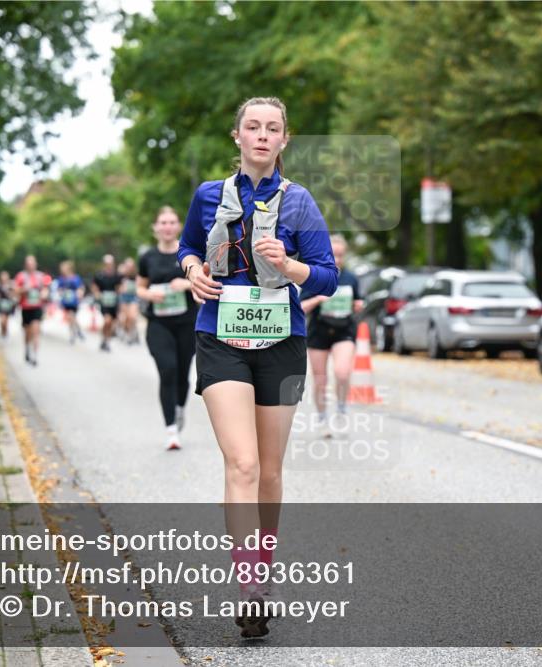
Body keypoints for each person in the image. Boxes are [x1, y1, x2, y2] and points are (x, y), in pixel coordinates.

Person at [178, 96, 337, 637]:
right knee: (242, 464)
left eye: (273, 129)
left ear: (284, 141)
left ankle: (263, 574)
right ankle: (248, 587)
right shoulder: (208, 196)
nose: (263, 136)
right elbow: (187, 247)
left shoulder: (299, 203)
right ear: (237, 136)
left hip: (280, 341)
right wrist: (195, 268)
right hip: (219, 337)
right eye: (253, 127)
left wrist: (288, 264)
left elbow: (326, 277)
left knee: (269, 471)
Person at [137, 206, 197, 450]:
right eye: (162, 222)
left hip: (186, 322)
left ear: (179, 226)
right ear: (155, 228)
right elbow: (139, 287)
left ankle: (180, 408)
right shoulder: (147, 257)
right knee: (168, 369)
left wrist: (185, 283)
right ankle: (171, 430)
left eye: (172, 222)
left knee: (183, 373)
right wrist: (149, 294)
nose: (167, 226)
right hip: (158, 323)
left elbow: (204, 281)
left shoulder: (190, 254)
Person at [300, 234, 364, 433]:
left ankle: (342, 410)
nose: (337, 259)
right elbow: (301, 307)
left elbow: (358, 302)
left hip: (343, 330)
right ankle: (322, 419)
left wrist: (358, 305)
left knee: (342, 373)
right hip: (318, 332)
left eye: (340, 255)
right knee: (320, 380)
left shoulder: (351, 278)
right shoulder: (315, 276)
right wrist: (319, 299)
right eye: (333, 255)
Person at [14, 255, 51, 366]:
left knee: (36, 331)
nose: (31, 265)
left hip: (37, 307)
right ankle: (27, 349)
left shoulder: (41, 276)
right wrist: (25, 289)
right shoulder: (21, 276)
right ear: (26, 265)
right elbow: (16, 291)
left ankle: (35, 355)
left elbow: (45, 289)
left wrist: (44, 294)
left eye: (32, 263)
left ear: (35, 264)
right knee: (27, 333)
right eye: (28, 263)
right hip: (25, 308)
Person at [92, 255, 121, 352]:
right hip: (104, 301)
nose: (109, 265)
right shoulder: (100, 275)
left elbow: (120, 287)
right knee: (107, 320)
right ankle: (104, 339)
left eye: (110, 263)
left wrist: (118, 293)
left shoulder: (117, 275)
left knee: (112, 323)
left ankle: (106, 341)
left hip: (113, 301)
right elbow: (94, 286)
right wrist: (97, 294)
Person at [56, 260, 86, 344]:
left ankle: (77, 331)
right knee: (70, 317)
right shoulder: (61, 279)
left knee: (72, 317)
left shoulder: (75, 278)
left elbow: (81, 287)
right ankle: (74, 333)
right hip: (66, 301)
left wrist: (80, 293)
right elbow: (59, 288)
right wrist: (61, 292)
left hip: (74, 300)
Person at [118, 257, 141, 346]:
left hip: (133, 297)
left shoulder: (136, 275)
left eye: (131, 265)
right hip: (124, 298)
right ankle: (127, 332)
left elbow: (140, 285)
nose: (129, 267)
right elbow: (118, 287)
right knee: (125, 318)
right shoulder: (121, 276)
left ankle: (132, 334)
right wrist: (121, 288)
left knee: (133, 317)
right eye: (127, 265)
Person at [0, 271, 16, 338]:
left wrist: (10, 295)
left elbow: (14, 294)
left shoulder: (10, 286)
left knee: (6, 320)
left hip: (8, 305)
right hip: (1, 305)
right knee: (2, 320)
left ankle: (5, 333)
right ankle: (3, 332)